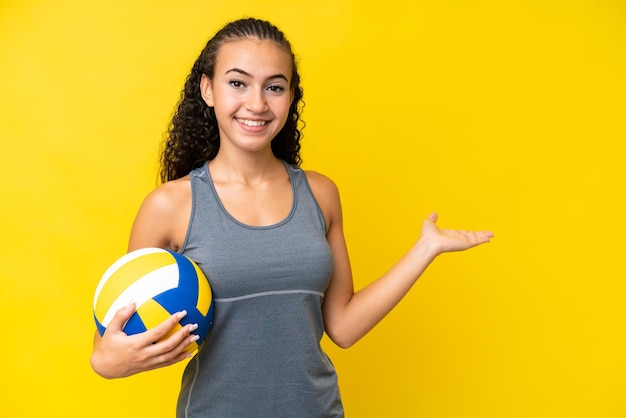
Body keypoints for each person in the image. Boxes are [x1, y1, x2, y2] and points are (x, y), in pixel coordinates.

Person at [90, 17, 494, 417]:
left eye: (274, 87)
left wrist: (425, 249)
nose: (257, 103)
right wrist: (110, 361)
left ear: (291, 95)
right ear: (208, 89)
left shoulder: (321, 194)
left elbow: (344, 327)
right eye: (237, 83)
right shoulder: (169, 205)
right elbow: (110, 348)